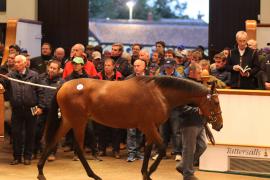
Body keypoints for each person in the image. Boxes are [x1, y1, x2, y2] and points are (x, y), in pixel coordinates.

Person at [0, 55, 45, 165]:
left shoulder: (34, 75)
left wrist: (41, 107)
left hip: (32, 109)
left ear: (25, 63)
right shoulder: (10, 75)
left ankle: (27, 156)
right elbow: (2, 82)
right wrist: (0, 84)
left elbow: (41, 92)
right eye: (15, 62)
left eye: (19, 62)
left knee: (30, 133)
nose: (16, 64)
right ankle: (17, 157)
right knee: (16, 134)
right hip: (17, 109)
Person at [176, 63, 207, 180]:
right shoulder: (184, 86)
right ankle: (188, 174)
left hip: (200, 122)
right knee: (189, 149)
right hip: (188, 122)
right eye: (199, 73)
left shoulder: (199, 84)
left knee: (202, 146)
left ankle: (183, 165)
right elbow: (179, 106)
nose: (201, 75)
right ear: (191, 72)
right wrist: (196, 110)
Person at [96, 58, 124, 159]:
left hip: (115, 108)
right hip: (101, 107)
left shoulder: (120, 77)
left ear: (113, 66)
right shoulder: (98, 77)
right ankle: (101, 149)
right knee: (101, 129)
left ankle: (116, 151)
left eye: (108, 65)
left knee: (116, 130)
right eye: (105, 65)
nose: (106, 67)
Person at [38, 60, 63, 161]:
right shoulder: (41, 79)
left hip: (55, 112)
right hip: (42, 109)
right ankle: (41, 151)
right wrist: (39, 107)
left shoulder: (62, 82)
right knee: (38, 131)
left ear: (58, 70)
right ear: (48, 67)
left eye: (54, 68)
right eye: (50, 68)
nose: (52, 70)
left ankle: (51, 152)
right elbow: (37, 94)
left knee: (53, 133)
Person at [126, 59, 147, 162]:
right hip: (131, 109)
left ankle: (138, 152)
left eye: (138, 66)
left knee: (141, 132)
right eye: (134, 66)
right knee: (131, 132)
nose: (136, 68)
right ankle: (131, 153)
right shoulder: (129, 79)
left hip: (144, 110)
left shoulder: (149, 79)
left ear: (144, 67)